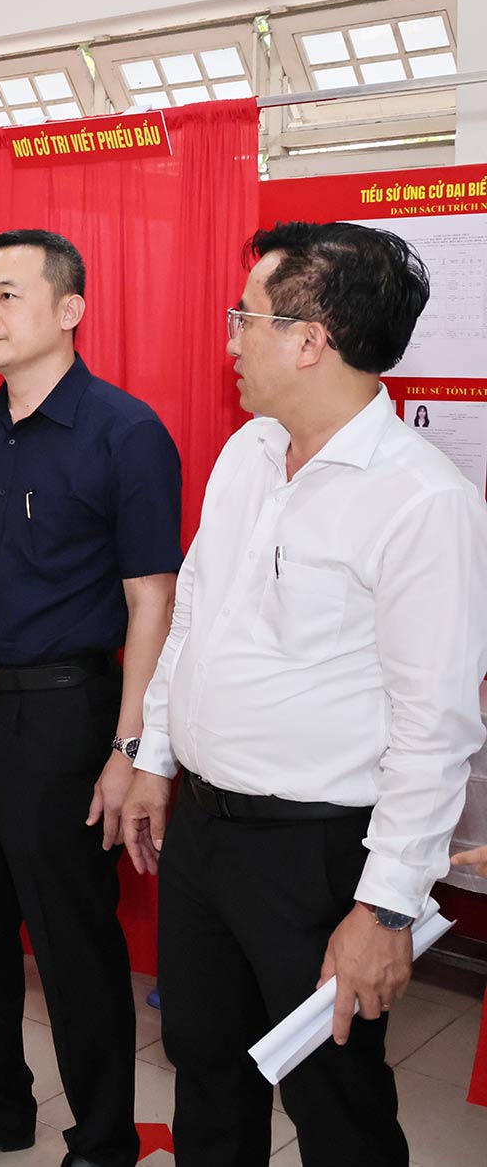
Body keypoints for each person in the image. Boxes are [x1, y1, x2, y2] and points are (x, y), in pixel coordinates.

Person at [119, 222, 487, 1167]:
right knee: (205, 1064)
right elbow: (194, 617)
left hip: (317, 854)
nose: (230, 339)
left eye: (244, 317)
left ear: (311, 339)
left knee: (336, 1100)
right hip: (205, 830)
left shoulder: (423, 501)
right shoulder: (248, 451)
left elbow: (436, 728)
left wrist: (387, 909)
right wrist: (155, 758)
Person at [0, 230, 181, 1167]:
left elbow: (151, 601)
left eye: (7, 295)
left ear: (69, 309)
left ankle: (102, 1136)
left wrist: (131, 747)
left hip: (63, 715)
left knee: (71, 939)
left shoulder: (126, 433)